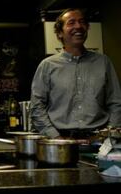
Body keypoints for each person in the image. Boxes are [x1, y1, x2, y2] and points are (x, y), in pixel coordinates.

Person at [30, 8, 121, 139]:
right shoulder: (47, 65)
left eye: (82, 22)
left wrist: (110, 136)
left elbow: (116, 103)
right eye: (71, 23)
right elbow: (37, 107)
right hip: (60, 140)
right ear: (59, 33)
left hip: (98, 141)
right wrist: (55, 138)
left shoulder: (103, 62)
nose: (78, 26)